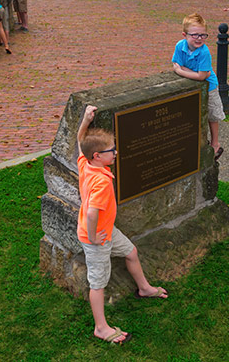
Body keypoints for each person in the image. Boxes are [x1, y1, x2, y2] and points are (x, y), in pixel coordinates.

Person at [76, 105, 168, 344]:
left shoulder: (86, 163)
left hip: (107, 231)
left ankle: (144, 288)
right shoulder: (102, 182)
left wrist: (86, 121)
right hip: (97, 237)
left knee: (130, 252)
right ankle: (101, 328)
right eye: (112, 150)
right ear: (98, 156)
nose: (116, 153)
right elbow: (93, 211)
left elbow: (80, 141)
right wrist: (96, 236)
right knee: (98, 283)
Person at [172, 13, 226, 160]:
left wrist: (181, 71)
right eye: (195, 35)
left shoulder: (204, 52)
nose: (199, 38)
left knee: (212, 115)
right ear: (185, 35)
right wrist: (186, 71)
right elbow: (177, 64)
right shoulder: (179, 46)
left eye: (203, 35)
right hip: (193, 86)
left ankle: (215, 143)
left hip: (209, 87)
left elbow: (202, 77)